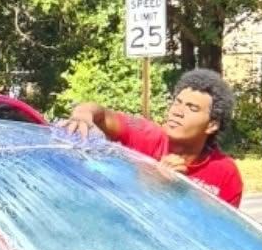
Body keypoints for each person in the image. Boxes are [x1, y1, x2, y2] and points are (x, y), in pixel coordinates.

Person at [63, 68, 244, 208]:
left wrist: (182, 190)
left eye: (192, 108)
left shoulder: (226, 174)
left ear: (212, 125)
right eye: (177, 102)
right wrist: (82, 114)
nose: (177, 112)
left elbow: (219, 235)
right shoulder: (146, 135)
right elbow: (100, 114)